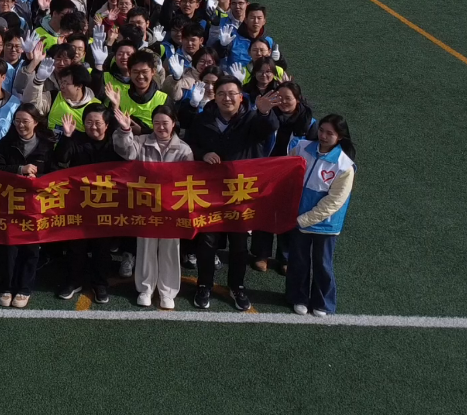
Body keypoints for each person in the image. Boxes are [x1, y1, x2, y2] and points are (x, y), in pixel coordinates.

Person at [185, 77, 281, 311]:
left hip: (241, 193)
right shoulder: (203, 119)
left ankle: (237, 287)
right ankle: (204, 285)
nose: (226, 98)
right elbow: (188, 146)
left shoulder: (252, 118)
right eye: (221, 94)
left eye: (231, 94)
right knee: (207, 242)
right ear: (214, 96)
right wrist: (203, 154)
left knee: (239, 245)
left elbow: (268, 128)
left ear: (240, 97)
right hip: (210, 192)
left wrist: (265, 113)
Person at [111, 104, 191, 310]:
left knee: (170, 250)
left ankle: (167, 292)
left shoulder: (184, 149)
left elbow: (188, 181)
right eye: (157, 123)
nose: (161, 127)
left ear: (174, 123)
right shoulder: (142, 142)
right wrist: (125, 130)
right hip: (146, 207)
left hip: (171, 209)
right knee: (145, 247)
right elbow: (125, 151)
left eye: (165, 123)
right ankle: (145, 289)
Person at [287, 114, 356, 317]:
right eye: (321, 130)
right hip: (298, 218)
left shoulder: (344, 166)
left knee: (323, 264)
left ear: (340, 137)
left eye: (329, 133)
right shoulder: (302, 148)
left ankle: (323, 302)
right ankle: (298, 297)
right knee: (298, 261)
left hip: (325, 224)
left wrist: (303, 219)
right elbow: (286, 171)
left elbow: (334, 202)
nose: (323, 136)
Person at [0, 104, 55, 308]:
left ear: (36, 122)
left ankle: (25, 288)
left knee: (31, 249)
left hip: (36, 207)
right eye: (17, 121)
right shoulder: (5, 144)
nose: (21, 125)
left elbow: (57, 173)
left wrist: (38, 178)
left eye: (25, 121)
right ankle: (6, 287)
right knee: (9, 248)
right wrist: (19, 169)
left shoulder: (47, 146)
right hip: (11, 205)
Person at [53, 104, 119, 304]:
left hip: (107, 203)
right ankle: (73, 281)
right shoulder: (76, 140)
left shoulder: (114, 142)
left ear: (106, 125)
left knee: (102, 246)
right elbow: (60, 159)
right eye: (89, 122)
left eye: (97, 123)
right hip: (79, 203)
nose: (93, 127)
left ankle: (100, 283)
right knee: (76, 245)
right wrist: (66, 137)